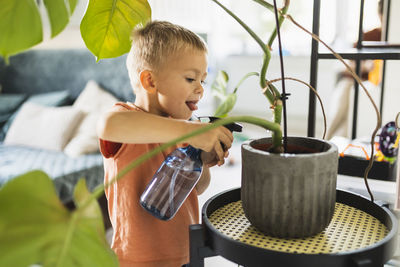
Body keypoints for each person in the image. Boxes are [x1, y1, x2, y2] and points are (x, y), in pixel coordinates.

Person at [97, 21, 233, 267]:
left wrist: (202, 161)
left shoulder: (184, 127)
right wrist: (189, 133)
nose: (201, 89)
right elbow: (109, 125)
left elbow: (198, 188)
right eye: (191, 78)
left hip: (186, 251)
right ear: (150, 81)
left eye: (203, 79)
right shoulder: (124, 118)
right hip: (136, 258)